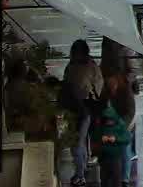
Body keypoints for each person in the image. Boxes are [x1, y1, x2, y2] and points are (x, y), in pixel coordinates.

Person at [58, 40, 102, 186]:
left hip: (81, 110)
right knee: (81, 141)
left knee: (78, 143)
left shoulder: (75, 67)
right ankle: (83, 167)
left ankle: (80, 173)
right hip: (83, 108)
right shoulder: (90, 65)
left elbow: (68, 85)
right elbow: (99, 85)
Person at [92, 69, 135, 187]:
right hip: (110, 125)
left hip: (124, 124)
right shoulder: (106, 93)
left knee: (125, 151)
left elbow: (130, 112)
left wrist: (120, 126)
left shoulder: (126, 92)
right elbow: (100, 108)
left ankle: (125, 179)